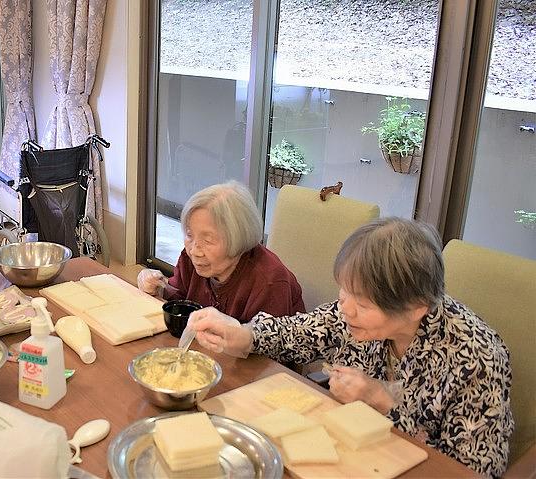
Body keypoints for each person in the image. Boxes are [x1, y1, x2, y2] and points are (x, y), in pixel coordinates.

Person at [188, 217, 513, 477]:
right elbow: (303, 332)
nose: (345, 309)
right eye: (344, 292)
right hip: (351, 457)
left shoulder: (477, 360)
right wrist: (243, 334)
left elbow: (472, 470)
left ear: (416, 307)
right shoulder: (355, 309)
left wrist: (381, 399)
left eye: (362, 303)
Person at [138, 181, 305, 322]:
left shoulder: (269, 281)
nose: (195, 250)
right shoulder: (191, 257)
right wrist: (156, 287)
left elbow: (267, 355)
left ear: (238, 237)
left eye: (208, 240)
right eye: (189, 234)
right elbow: (177, 300)